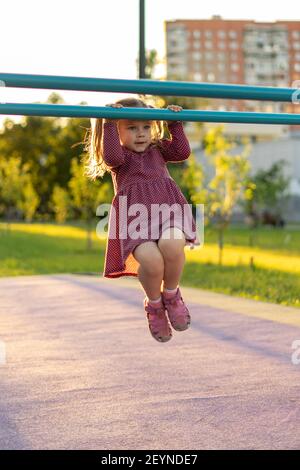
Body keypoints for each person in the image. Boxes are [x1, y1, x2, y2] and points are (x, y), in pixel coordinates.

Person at [83, 97, 201, 343]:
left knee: (172, 245)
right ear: (117, 131)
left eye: (146, 127)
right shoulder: (119, 158)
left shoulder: (158, 149)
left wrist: (174, 123)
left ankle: (171, 295)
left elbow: (182, 152)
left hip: (167, 210)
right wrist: (109, 123)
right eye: (132, 127)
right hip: (136, 218)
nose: (141, 134)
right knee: (152, 262)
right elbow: (112, 156)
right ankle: (155, 305)